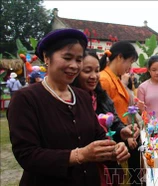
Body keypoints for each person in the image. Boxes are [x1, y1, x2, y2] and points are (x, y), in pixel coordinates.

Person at [7, 28, 131, 186]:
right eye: (67, 57)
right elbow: (26, 154)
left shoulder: (82, 97)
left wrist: (113, 149)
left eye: (79, 60)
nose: (74, 65)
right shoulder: (26, 99)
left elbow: (98, 135)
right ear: (46, 57)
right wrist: (79, 155)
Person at [71, 51, 139, 186]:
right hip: (81, 168)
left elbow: (113, 120)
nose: (94, 76)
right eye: (87, 71)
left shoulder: (100, 95)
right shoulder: (71, 100)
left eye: (97, 70)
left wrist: (122, 131)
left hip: (107, 159)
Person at [99, 41, 138, 124]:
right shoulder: (104, 80)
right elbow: (103, 114)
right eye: (130, 62)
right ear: (120, 57)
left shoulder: (115, 78)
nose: (130, 67)